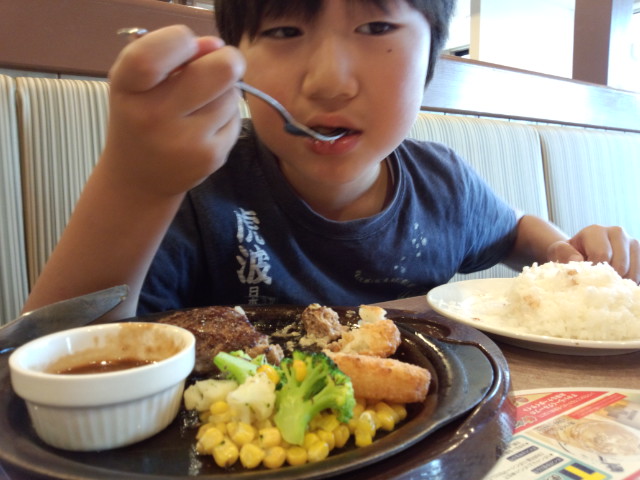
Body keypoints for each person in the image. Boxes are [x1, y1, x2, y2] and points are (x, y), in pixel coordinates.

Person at [23, 0, 639, 319]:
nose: (329, 81)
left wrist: (571, 262)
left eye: (376, 28)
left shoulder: (443, 185)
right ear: (234, 63)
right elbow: (55, 365)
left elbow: (514, 232)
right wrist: (134, 184)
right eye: (284, 32)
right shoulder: (198, 188)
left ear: (431, 59)